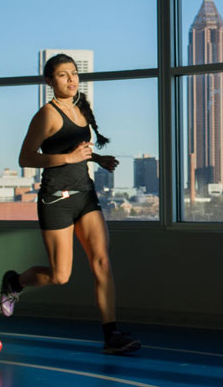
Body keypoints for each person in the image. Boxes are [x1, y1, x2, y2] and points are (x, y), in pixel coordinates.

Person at [0, 53, 141, 355]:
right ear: (49, 81)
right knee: (60, 275)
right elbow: (25, 158)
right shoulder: (47, 115)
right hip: (56, 199)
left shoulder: (81, 109)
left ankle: (111, 335)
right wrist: (69, 158)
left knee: (102, 262)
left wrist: (98, 159)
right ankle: (14, 282)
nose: (71, 79)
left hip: (85, 194)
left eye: (74, 73)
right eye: (63, 75)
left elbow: (79, 150)